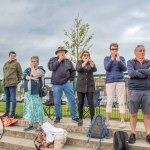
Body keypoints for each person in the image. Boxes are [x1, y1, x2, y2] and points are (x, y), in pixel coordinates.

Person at [48, 46, 79, 123]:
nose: (62, 53)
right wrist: (59, 60)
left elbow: (73, 71)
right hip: (56, 84)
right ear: (57, 53)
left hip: (67, 83)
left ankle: (74, 116)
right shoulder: (52, 60)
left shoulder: (68, 61)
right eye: (60, 52)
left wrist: (70, 79)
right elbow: (51, 68)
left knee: (72, 100)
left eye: (63, 52)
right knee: (57, 101)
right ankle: (58, 116)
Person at [127, 45, 150, 144]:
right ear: (135, 52)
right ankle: (132, 133)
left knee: (147, 114)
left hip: (147, 90)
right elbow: (131, 73)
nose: (142, 52)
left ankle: (148, 134)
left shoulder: (148, 62)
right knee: (133, 114)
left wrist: (140, 71)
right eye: (140, 51)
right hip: (134, 90)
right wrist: (146, 74)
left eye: (144, 51)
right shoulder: (130, 62)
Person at [104, 43, 127, 128]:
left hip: (120, 81)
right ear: (110, 50)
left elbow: (125, 69)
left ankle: (122, 121)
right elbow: (106, 68)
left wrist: (118, 60)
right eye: (113, 49)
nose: (114, 50)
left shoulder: (121, 58)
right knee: (109, 101)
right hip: (110, 81)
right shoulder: (107, 58)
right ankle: (107, 121)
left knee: (121, 101)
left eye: (116, 49)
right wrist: (112, 59)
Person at [23, 56, 45, 131]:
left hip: (36, 92)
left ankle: (40, 124)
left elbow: (36, 74)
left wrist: (32, 69)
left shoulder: (41, 69)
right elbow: (24, 76)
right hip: (27, 92)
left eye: (35, 61)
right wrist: (31, 78)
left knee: (38, 108)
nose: (33, 63)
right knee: (29, 108)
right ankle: (30, 123)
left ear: (38, 62)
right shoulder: (27, 69)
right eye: (32, 61)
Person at [76, 50, 97, 126]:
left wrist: (90, 62)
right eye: (84, 55)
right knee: (80, 103)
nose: (86, 56)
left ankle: (93, 119)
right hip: (80, 85)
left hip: (90, 85)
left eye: (87, 55)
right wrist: (84, 62)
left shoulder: (91, 62)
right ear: (81, 56)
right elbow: (78, 69)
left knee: (90, 103)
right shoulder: (79, 62)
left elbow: (94, 69)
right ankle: (80, 119)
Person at [2, 51, 22, 119]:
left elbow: (20, 73)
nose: (12, 57)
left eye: (14, 56)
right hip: (6, 84)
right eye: (11, 55)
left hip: (13, 84)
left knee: (13, 99)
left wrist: (17, 81)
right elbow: (4, 73)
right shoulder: (5, 64)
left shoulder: (17, 64)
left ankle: (12, 113)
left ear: (15, 56)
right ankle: (6, 113)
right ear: (9, 56)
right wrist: (3, 82)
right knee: (7, 99)